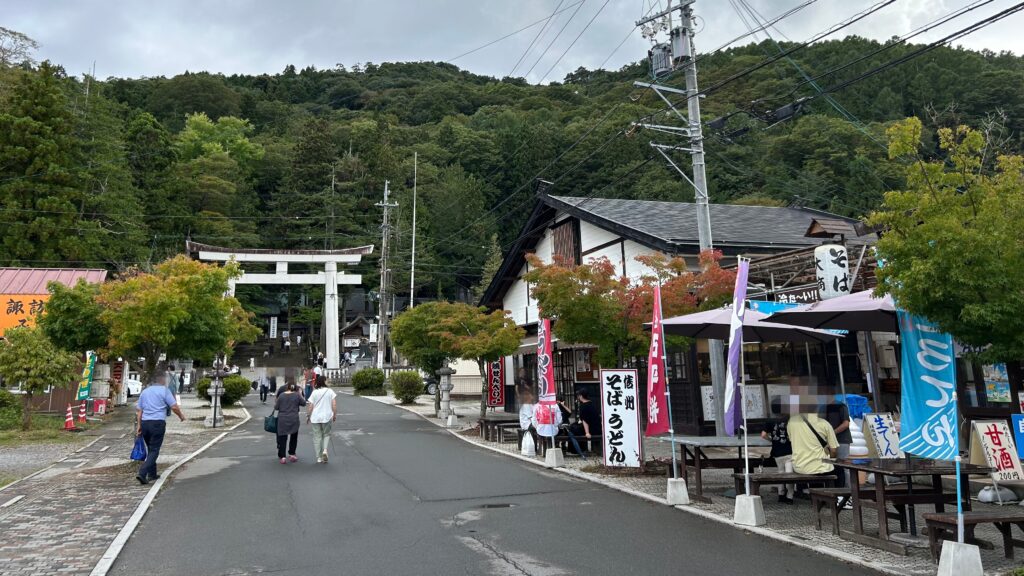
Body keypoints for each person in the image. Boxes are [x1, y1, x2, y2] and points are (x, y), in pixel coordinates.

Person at [135, 372, 186, 485]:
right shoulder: (164, 391)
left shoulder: (145, 392)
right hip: (157, 423)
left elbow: (139, 411)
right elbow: (174, 406)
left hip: (145, 423)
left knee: (150, 448)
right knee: (154, 450)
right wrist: (181, 416)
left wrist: (139, 426)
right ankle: (142, 473)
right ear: (161, 380)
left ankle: (152, 474)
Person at [787, 407, 839, 492]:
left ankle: (811, 494)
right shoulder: (825, 424)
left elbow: (791, 440)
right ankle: (836, 496)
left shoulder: (792, 421)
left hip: (799, 467)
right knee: (838, 470)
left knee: (816, 469)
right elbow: (833, 450)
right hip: (819, 468)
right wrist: (831, 459)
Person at [761, 400, 794, 504]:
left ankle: (781, 494)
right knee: (789, 474)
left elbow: (763, 435)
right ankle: (790, 496)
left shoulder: (770, 420)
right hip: (789, 451)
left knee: (781, 473)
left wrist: (772, 440)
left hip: (777, 452)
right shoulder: (790, 419)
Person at [273, 379, 307, 463]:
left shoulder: (281, 395)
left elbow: (276, 407)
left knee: (282, 437)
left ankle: (282, 457)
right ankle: (292, 454)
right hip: (294, 418)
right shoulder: (297, 395)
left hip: (283, 419)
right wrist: (299, 393)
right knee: (294, 436)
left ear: (287, 387)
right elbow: (304, 403)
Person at [306, 377, 337, 463]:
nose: (328, 381)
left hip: (315, 417)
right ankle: (325, 450)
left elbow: (310, 406)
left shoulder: (314, 392)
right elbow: (334, 404)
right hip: (327, 416)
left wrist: (308, 416)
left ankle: (319, 457)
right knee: (326, 434)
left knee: (317, 437)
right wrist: (334, 414)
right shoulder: (330, 391)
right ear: (323, 381)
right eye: (326, 380)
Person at [825, 396, 852, 488]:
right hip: (828, 441)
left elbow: (846, 423)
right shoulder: (823, 407)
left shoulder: (840, 406)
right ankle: (836, 489)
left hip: (842, 440)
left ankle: (848, 490)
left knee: (843, 466)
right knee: (831, 466)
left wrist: (832, 432)